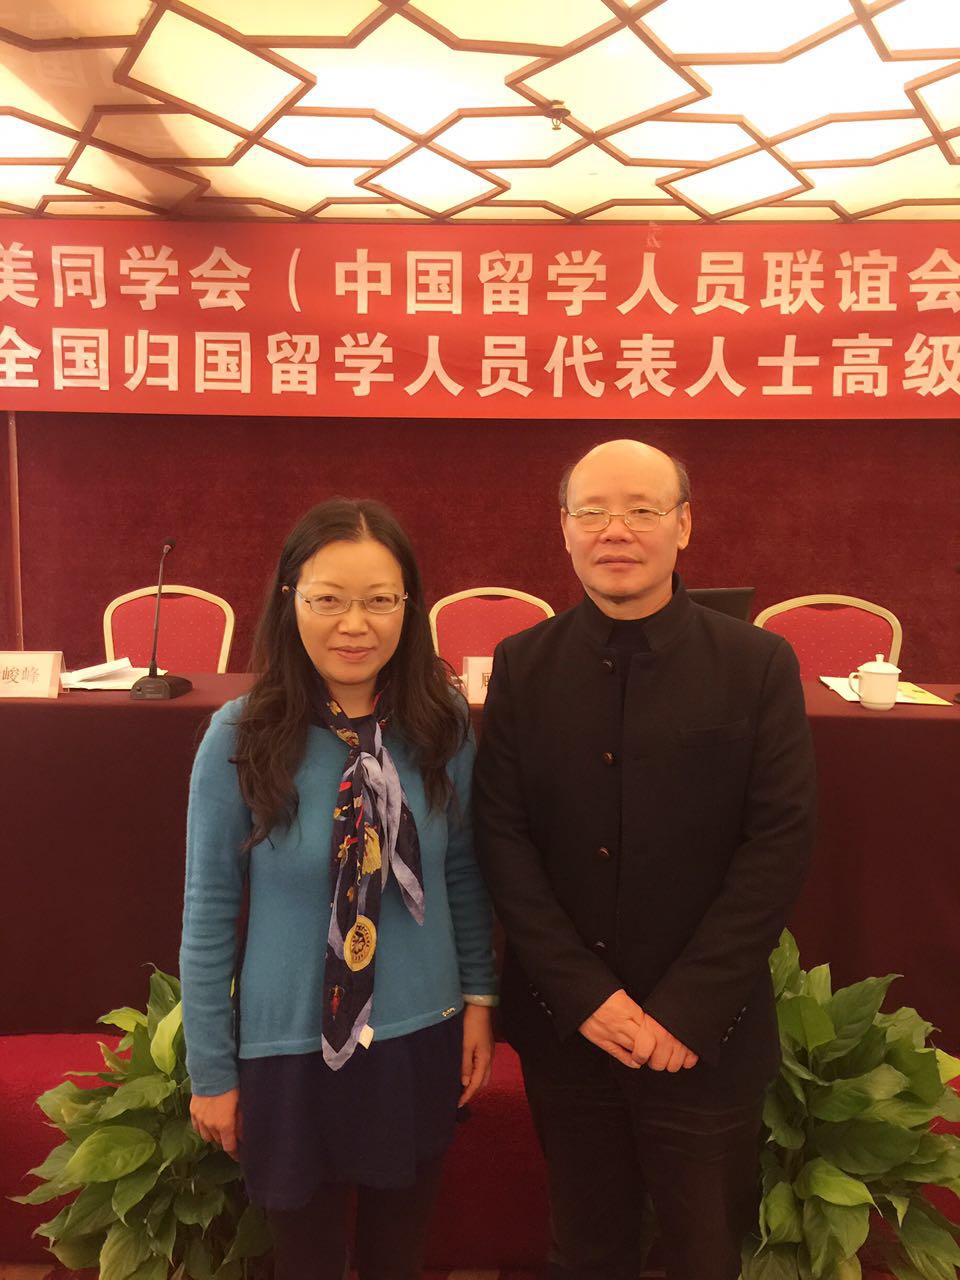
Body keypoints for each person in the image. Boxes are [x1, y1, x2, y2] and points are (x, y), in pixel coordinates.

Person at [474, 439, 816, 1280]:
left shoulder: (757, 664)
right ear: (564, 527)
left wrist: (686, 1011)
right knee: (584, 1250)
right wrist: (584, 997)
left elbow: (778, 843)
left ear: (684, 525)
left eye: (641, 510)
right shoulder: (524, 663)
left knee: (704, 1251)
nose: (615, 530)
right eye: (591, 511)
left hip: (704, 1037)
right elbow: (503, 838)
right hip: (570, 1032)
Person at [181, 499, 496, 1280]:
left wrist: (479, 1001)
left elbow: (461, 873)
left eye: (379, 600)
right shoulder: (241, 734)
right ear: (290, 600)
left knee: (399, 1258)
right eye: (328, 599)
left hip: (417, 1033)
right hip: (291, 1046)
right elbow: (209, 910)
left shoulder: (441, 725)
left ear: (408, 607)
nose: (355, 624)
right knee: (306, 1263)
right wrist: (212, 1071)